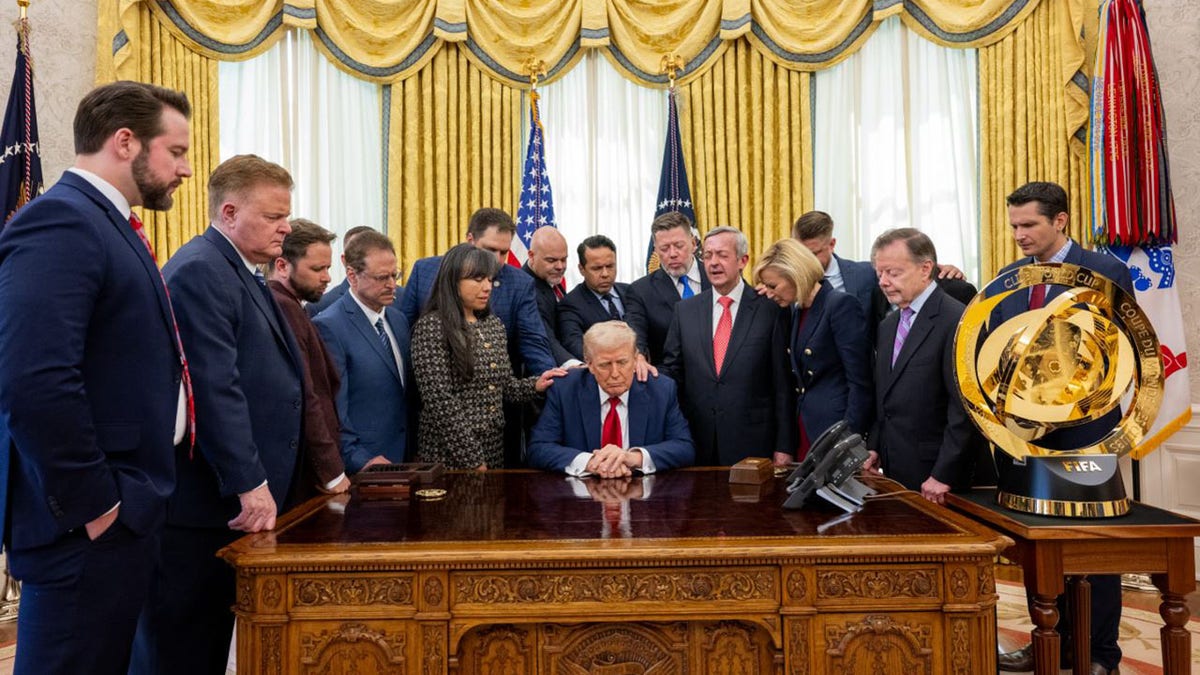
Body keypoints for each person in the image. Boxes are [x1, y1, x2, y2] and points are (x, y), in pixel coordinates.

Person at [0, 81, 192, 675]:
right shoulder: (62, 220)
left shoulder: (110, 224)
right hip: (85, 527)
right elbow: (33, 379)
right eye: (176, 151)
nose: (186, 170)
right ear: (125, 141)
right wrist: (99, 505)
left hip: (120, 516)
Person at [130, 155, 305, 675]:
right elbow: (212, 388)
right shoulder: (201, 270)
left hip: (224, 506)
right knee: (180, 649)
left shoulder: (240, 269)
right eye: (274, 216)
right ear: (229, 213)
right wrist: (249, 481)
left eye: (286, 215)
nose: (286, 226)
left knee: (206, 645)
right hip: (204, 507)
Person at [993, 181, 1132, 675]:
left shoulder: (1106, 271)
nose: (1019, 235)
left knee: (1091, 546)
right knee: (1039, 545)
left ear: (1060, 220)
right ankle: (1048, 644)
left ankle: (1097, 654)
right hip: (1027, 437)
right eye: (1014, 225)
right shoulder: (1009, 277)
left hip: (1085, 431)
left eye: (1028, 224)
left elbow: (1119, 350)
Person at [400, 207, 555, 466]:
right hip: (450, 454)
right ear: (453, 281)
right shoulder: (431, 327)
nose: (487, 287)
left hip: (494, 448)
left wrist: (536, 384)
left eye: (489, 280)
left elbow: (503, 386)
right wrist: (472, 459)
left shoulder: (493, 324)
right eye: (477, 280)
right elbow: (440, 402)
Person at [862, 228, 982, 502]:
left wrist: (944, 473)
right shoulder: (888, 325)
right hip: (895, 470)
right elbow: (886, 396)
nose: (883, 282)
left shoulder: (958, 321)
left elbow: (965, 410)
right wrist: (875, 446)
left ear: (925, 269)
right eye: (879, 274)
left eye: (893, 273)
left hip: (940, 479)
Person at [661, 227, 793, 466]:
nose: (713, 263)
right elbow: (673, 372)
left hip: (754, 442)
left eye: (722, 255)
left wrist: (784, 445)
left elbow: (782, 384)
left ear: (743, 260)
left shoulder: (770, 309)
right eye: (708, 255)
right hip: (698, 442)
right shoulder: (685, 311)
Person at [528, 321, 695, 475]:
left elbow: (684, 448)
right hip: (580, 493)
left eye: (622, 362)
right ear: (589, 364)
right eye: (605, 365)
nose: (615, 374)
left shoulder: (661, 389)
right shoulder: (565, 389)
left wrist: (632, 458)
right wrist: (591, 462)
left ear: (635, 359)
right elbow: (539, 448)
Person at [753, 238, 873, 451]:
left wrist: (848, 440)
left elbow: (860, 383)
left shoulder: (840, 305)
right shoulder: (796, 311)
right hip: (806, 429)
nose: (769, 293)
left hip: (834, 433)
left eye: (773, 286)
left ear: (796, 275)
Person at [314, 230, 413, 473]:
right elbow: (334, 410)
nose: (392, 284)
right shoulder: (330, 326)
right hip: (365, 465)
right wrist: (359, 460)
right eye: (382, 277)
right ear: (352, 276)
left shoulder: (398, 320)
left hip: (405, 458)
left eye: (395, 275)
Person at [266, 219, 350, 497]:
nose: (327, 278)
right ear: (282, 266)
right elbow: (305, 394)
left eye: (328, 268)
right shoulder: (284, 308)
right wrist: (331, 471)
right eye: (317, 269)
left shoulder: (291, 305)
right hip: (304, 473)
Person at [627, 212, 710, 364]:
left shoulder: (717, 277)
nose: (672, 254)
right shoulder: (640, 291)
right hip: (670, 374)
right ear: (655, 250)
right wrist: (638, 356)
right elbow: (636, 334)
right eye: (664, 248)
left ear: (693, 243)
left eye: (679, 246)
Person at [557, 235, 637, 360]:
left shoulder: (631, 292)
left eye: (610, 266)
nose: (605, 274)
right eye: (597, 268)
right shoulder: (570, 304)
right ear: (581, 269)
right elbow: (574, 345)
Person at [522, 225, 576, 365]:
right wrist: (571, 363)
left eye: (563, 259)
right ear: (531, 256)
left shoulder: (549, 278)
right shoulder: (525, 289)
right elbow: (544, 335)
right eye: (551, 260)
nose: (560, 266)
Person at [306, 224, 379, 317]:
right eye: (359, 255)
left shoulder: (395, 296)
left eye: (374, 255)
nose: (367, 261)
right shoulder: (321, 306)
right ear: (344, 260)